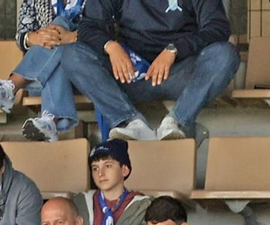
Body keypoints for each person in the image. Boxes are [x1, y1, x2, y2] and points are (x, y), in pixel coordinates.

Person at [61, 0, 238, 142]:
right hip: (130, 72)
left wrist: (174, 50)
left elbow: (217, 27)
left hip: (180, 74)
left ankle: (176, 121)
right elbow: (88, 25)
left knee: (225, 54)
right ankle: (131, 122)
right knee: (72, 54)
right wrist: (110, 46)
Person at [0, 0, 84, 143]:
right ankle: (50, 119)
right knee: (58, 43)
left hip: (83, 76)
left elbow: (105, 32)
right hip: (39, 79)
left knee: (61, 25)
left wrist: (70, 37)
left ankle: (12, 86)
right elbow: (21, 36)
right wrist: (35, 37)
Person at [81, 140, 149, 225]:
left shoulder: (143, 206)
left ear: (124, 170)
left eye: (108, 166)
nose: (100, 173)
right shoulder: (80, 203)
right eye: (95, 168)